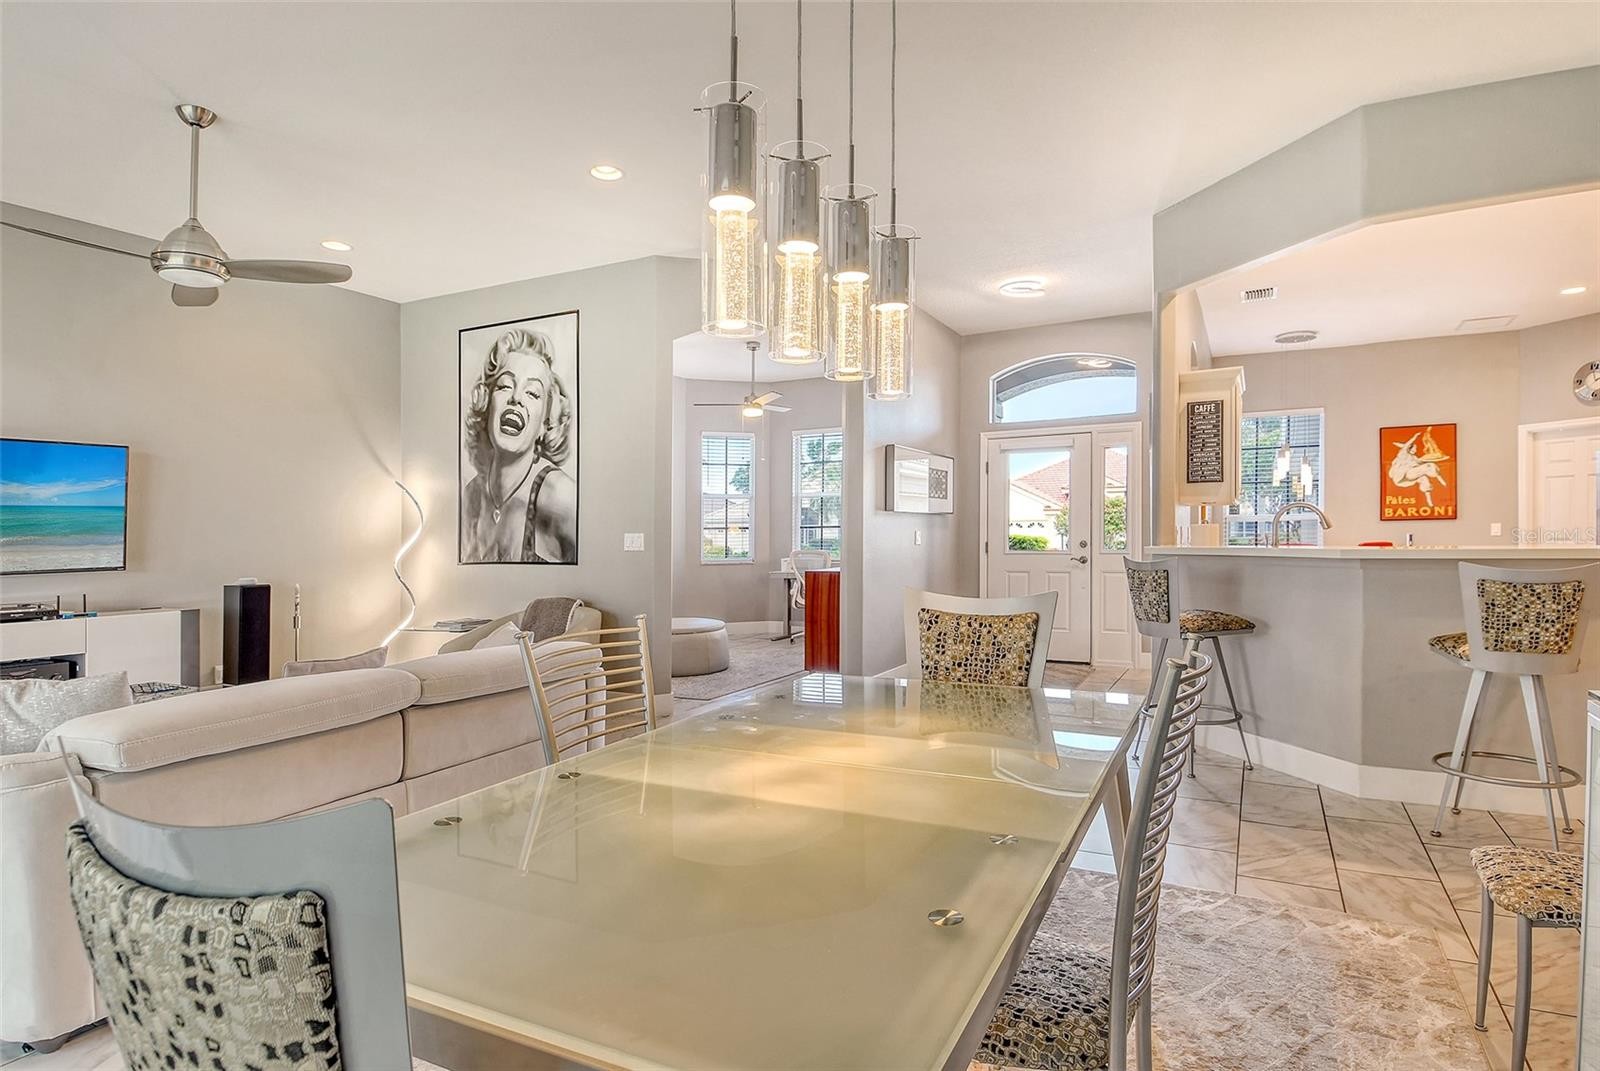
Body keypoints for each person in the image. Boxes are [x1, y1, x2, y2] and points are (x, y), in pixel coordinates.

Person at [460, 327, 576, 563]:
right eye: (505, 386)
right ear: (487, 404)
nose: (516, 398)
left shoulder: (561, 497)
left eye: (532, 393)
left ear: (546, 423)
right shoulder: (471, 495)